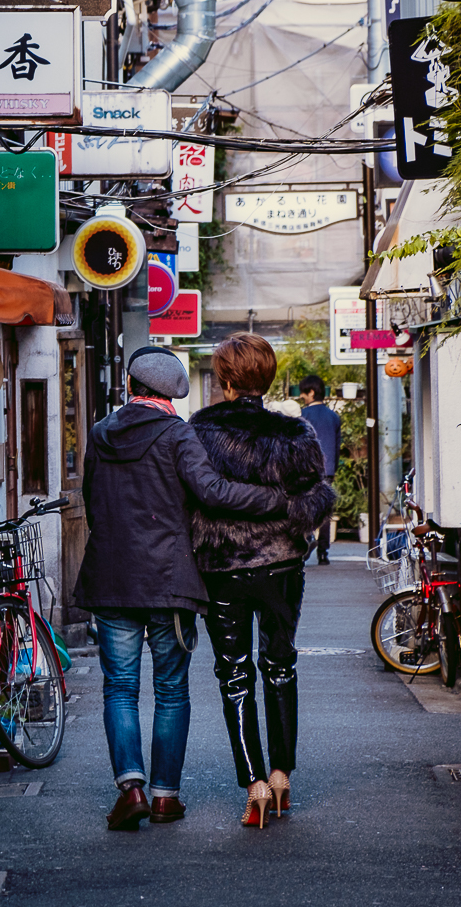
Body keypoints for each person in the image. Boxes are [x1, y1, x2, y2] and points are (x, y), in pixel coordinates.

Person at [72, 346, 289, 831]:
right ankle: (165, 796)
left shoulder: (101, 433)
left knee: (120, 688)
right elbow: (212, 491)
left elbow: (91, 498)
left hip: (110, 579)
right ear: (173, 394)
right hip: (169, 582)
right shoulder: (177, 434)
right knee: (170, 690)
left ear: (130, 388)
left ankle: (130, 788)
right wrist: (275, 499)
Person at [190, 334, 335, 830]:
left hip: (221, 566)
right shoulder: (294, 435)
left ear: (225, 380)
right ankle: (281, 776)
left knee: (233, 674)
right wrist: (292, 516)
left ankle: (252, 785)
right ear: (267, 378)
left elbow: (190, 497)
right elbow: (317, 494)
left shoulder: (200, 431)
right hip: (280, 564)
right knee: (280, 663)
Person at [297, 376, 341, 565]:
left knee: (305, 508)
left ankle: (307, 540)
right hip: (328, 468)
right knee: (325, 511)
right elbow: (337, 446)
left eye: (304, 393)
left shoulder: (304, 415)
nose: (302, 396)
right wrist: (333, 467)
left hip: (307, 469)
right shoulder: (333, 416)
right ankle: (323, 552)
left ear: (312, 392)